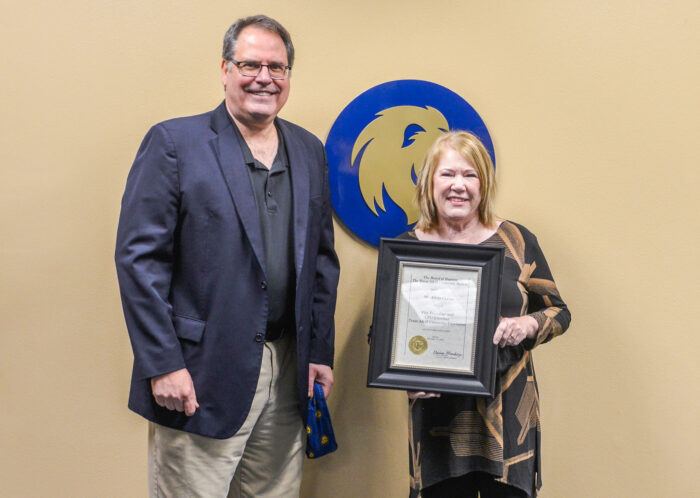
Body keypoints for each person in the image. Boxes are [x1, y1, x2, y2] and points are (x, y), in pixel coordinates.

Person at [115, 15, 339, 497]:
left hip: (288, 367)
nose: (264, 77)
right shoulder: (175, 143)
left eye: (277, 67)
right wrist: (162, 364)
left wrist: (318, 351)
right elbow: (139, 262)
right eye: (250, 64)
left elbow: (321, 261)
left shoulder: (307, 150)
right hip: (200, 371)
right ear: (224, 69)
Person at [402, 131, 571, 497]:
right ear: (430, 181)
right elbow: (385, 332)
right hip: (438, 426)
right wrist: (405, 375)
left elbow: (559, 312)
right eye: (447, 174)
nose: (458, 186)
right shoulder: (408, 248)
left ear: (484, 184)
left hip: (509, 421)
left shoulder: (516, 240)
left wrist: (529, 323)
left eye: (470, 175)